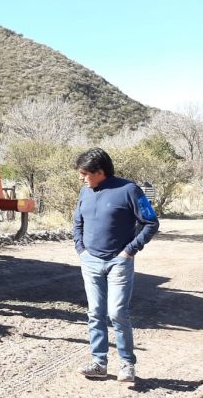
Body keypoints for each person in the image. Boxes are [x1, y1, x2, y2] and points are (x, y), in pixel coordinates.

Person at [72, 147, 159, 383]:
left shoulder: (130, 190)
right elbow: (77, 222)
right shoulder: (85, 191)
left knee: (117, 313)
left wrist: (129, 251)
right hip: (90, 262)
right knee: (95, 313)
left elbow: (151, 222)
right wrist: (81, 250)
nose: (82, 178)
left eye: (85, 174)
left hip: (118, 262)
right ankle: (99, 364)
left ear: (100, 172)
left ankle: (127, 365)